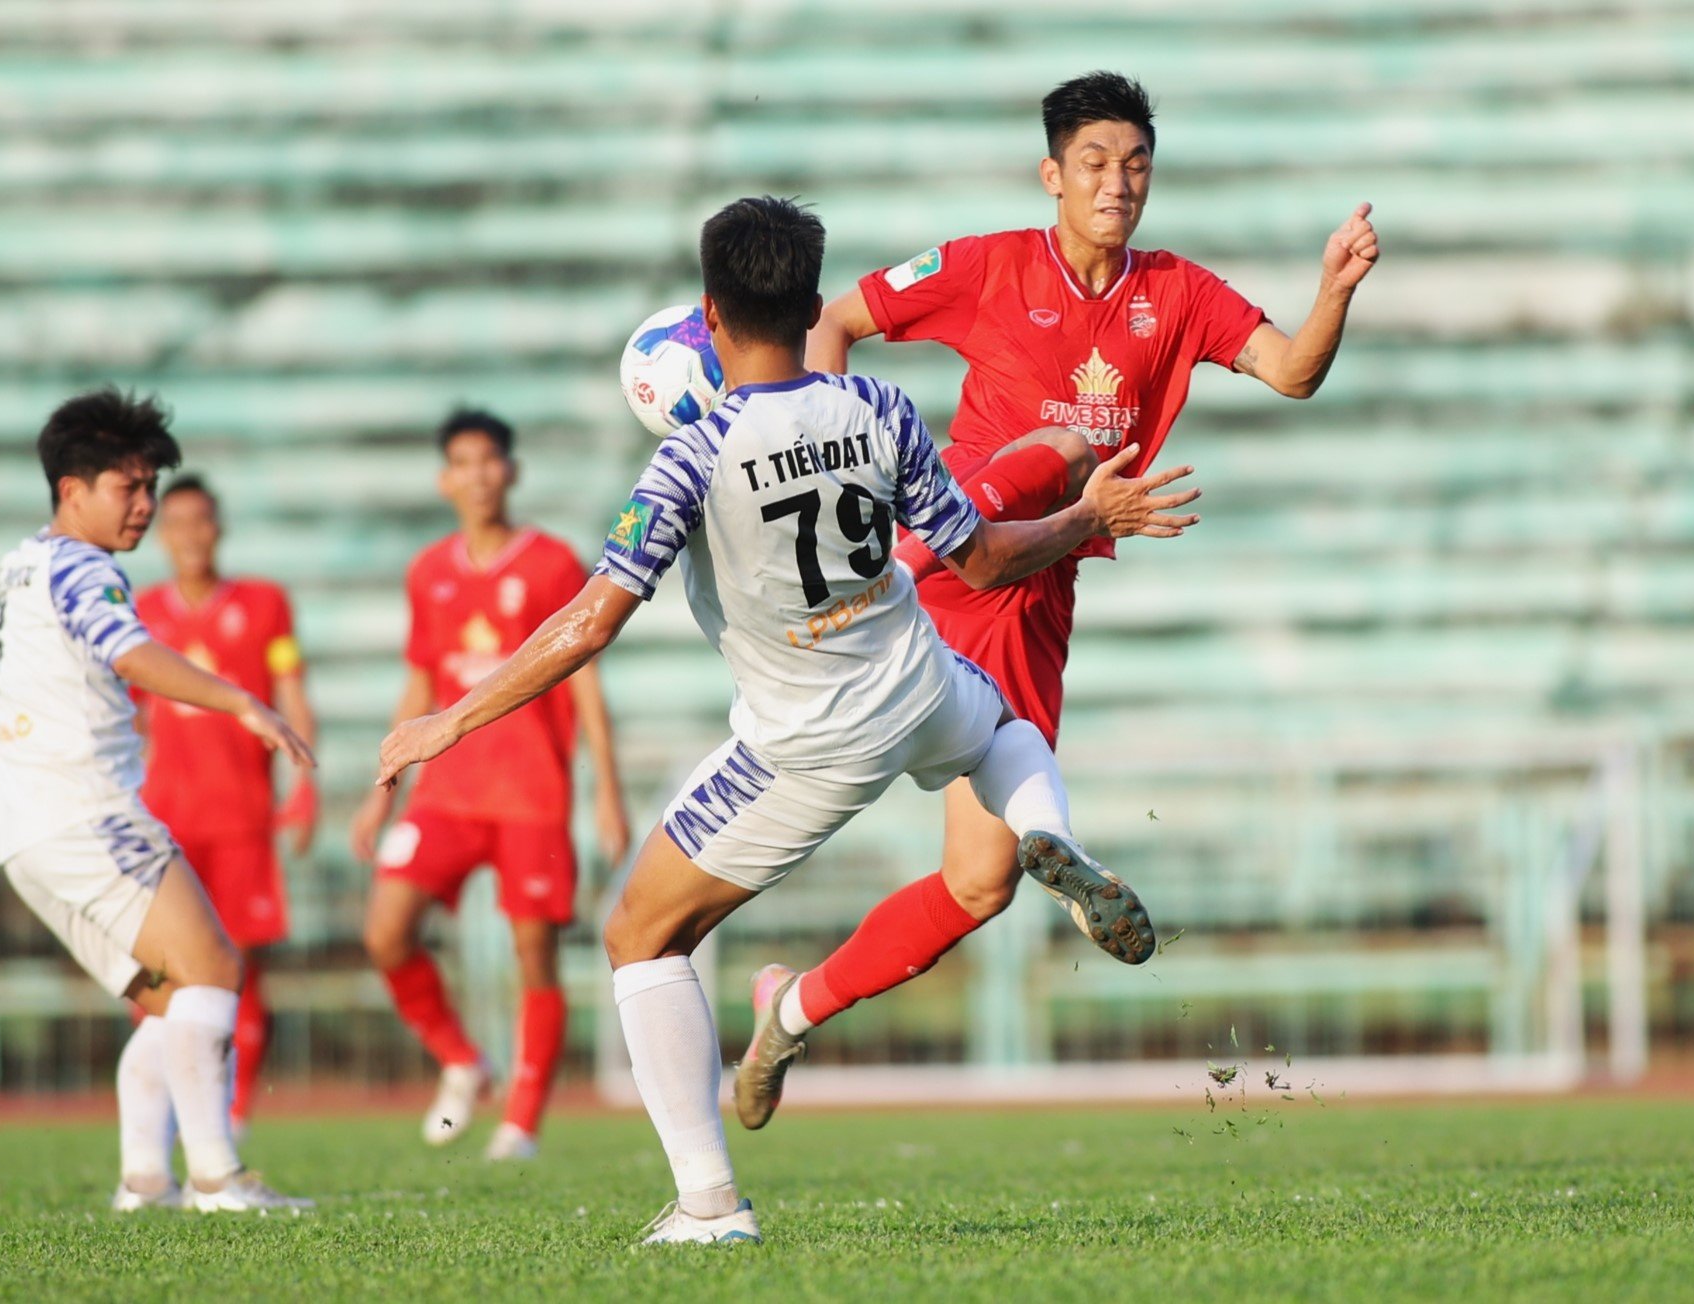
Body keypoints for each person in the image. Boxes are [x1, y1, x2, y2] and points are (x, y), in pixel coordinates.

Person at [374, 196, 1198, 1244]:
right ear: (813, 304)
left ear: (707, 316)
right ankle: (1057, 835)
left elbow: (587, 625)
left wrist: (452, 716)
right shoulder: (881, 407)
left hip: (806, 741)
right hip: (919, 678)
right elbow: (983, 558)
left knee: (638, 934)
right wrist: (1085, 517)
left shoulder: (690, 453)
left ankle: (708, 1204)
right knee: (1000, 734)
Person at [741, 70, 1381, 1095]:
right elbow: (837, 319)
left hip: (1040, 582)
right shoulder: (986, 265)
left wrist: (1335, 291)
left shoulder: (1175, 291)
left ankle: (788, 1008)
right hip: (956, 542)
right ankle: (1052, 830)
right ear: (1051, 174)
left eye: (1134, 164)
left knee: (976, 884)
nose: (1116, 182)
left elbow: (1292, 371)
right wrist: (821, 438)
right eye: (1093, 161)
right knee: (1048, 472)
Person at [0, 387, 314, 1211]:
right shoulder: (79, 564)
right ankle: (217, 1176)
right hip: (86, 811)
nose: (144, 506)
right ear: (73, 490)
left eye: (150, 488)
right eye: (126, 488)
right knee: (213, 967)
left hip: (29, 834)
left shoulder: (22, 559)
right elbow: (131, 654)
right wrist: (241, 700)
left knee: (171, 1001)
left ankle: (144, 1179)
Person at [351, 408, 631, 1162]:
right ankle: (463, 1061)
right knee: (385, 930)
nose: (477, 475)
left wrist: (607, 787)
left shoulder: (550, 564)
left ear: (510, 470)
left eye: (489, 460)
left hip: (531, 793)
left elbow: (583, 679)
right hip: (445, 791)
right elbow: (421, 680)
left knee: (533, 955)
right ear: (445, 479)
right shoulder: (429, 573)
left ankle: (522, 1123)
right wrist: (381, 783)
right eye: (462, 463)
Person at [134, 475, 318, 1139]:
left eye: (201, 521)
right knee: (157, 972)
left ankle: (231, 1117)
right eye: (176, 522)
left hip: (243, 819)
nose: (190, 535)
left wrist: (305, 784)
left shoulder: (265, 605)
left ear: (219, 527)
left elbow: (293, 694)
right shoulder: (139, 611)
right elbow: (127, 718)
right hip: (165, 823)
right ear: (161, 533)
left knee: (239, 971)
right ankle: (168, 1114)